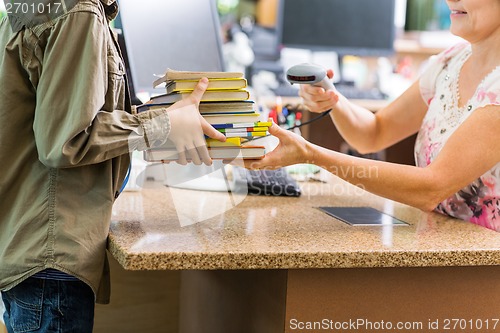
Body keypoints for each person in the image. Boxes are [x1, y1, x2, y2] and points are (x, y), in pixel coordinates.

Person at [0, 0, 225, 331]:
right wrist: (162, 124)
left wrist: (163, 117)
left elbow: (60, 118)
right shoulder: (80, 12)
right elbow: (64, 141)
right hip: (51, 254)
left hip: (27, 243)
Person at [242, 0, 500, 231]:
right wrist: (332, 99)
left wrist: (311, 154)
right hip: (438, 242)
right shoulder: (449, 63)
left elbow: (431, 188)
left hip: (482, 264)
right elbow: (374, 133)